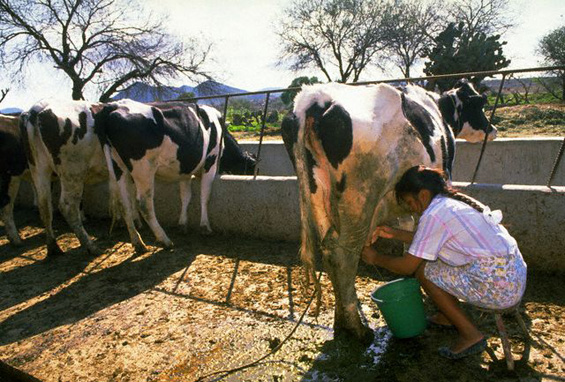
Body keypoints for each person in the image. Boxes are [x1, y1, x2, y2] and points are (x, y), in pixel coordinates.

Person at [361, 165, 527, 360]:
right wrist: (394, 233)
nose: (411, 209)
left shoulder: (434, 214)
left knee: (424, 271)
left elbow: (407, 266)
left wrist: (375, 258)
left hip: (498, 289)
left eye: (409, 202)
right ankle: (449, 317)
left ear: (422, 195)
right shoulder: (452, 202)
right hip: (513, 277)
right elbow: (429, 239)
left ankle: (470, 335)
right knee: (435, 261)